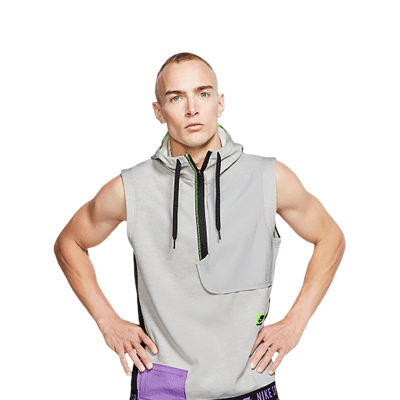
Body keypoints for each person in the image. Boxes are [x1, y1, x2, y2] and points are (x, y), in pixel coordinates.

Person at [54, 52, 345, 400]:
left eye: (202, 93)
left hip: (250, 382)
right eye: (176, 98)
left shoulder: (268, 177)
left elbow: (330, 237)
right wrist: (108, 322)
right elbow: (69, 243)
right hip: (164, 387)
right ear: (158, 111)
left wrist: (296, 322)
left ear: (220, 103)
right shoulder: (131, 187)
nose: (192, 109)